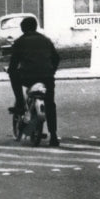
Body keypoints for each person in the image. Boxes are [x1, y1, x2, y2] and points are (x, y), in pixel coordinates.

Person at [7, 16, 61, 147]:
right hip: (47, 78)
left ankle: (20, 102)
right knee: (50, 104)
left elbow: (13, 64)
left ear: (23, 28)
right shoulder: (46, 40)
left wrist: (11, 70)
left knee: (13, 75)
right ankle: (53, 136)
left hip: (28, 77)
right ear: (35, 27)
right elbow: (56, 58)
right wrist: (51, 71)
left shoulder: (20, 42)